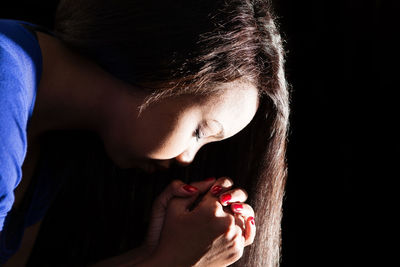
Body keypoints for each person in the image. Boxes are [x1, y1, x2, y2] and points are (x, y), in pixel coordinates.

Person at [0, 0, 289, 266]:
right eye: (199, 132)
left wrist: (153, 256)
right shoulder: (5, 89)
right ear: (164, 65)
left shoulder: (53, 134)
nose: (186, 159)